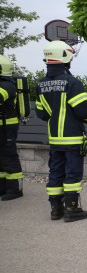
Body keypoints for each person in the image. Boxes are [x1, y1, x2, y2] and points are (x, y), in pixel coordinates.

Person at [36, 41, 87, 222]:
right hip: (72, 139)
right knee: (72, 173)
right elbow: (84, 111)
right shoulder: (72, 83)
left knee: (55, 171)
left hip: (54, 139)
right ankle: (72, 210)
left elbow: (41, 114)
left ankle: (56, 210)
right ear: (66, 58)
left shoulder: (41, 84)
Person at [0, 54, 24, 201]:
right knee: (1, 157)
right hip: (2, 126)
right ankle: (3, 187)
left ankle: (15, 189)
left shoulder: (6, 85)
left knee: (9, 156)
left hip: (7, 126)